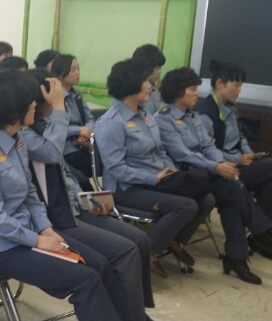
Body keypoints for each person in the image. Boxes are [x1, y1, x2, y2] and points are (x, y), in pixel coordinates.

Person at [0, 70, 121, 321]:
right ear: (12, 109)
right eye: (29, 100)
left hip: (25, 232)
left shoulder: (16, 137)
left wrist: (45, 228)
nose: (35, 104)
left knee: (99, 263)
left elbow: (29, 191)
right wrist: (37, 240)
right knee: (86, 279)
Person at [23, 68, 152, 320]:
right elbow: (51, 154)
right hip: (58, 217)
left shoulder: (45, 125)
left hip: (75, 206)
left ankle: (135, 311)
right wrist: (59, 108)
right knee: (124, 252)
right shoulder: (28, 133)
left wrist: (89, 201)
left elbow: (65, 177)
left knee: (139, 240)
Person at [95, 58, 215, 278]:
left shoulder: (145, 114)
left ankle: (174, 241)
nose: (150, 86)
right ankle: (147, 252)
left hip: (157, 179)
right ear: (131, 85)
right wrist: (154, 177)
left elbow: (160, 151)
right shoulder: (110, 122)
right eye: (145, 81)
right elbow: (116, 169)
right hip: (126, 189)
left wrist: (170, 171)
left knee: (206, 199)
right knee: (186, 206)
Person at [156, 67, 272, 284]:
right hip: (184, 178)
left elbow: (208, 145)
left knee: (230, 193)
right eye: (192, 89)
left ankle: (237, 258)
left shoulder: (192, 115)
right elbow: (183, 154)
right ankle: (261, 232)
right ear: (178, 91)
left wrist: (221, 163)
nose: (197, 93)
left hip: (205, 174)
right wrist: (216, 167)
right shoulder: (164, 119)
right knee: (231, 187)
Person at [196, 60, 272, 258]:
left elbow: (241, 137)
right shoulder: (205, 112)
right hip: (219, 169)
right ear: (220, 84)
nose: (239, 90)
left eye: (241, 85)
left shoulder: (231, 108)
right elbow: (207, 150)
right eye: (236, 85)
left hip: (238, 164)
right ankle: (263, 233)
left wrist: (249, 154)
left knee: (269, 183)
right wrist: (237, 158)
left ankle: (253, 242)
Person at [51, 54, 97, 179]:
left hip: (84, 146)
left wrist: (87, 131)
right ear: (60, 74)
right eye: (73, 70)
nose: (78, 72)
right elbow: (52, 128)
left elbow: (90, 118)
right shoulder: (54, 97)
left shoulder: (77, 94)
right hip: (66, 150)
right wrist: (78, 130)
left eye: (78, 68)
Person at [133, 44, 166, 115]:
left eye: (160, 68)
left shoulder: (154, 88)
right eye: (156, 68)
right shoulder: (133, 90)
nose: (159, 72)